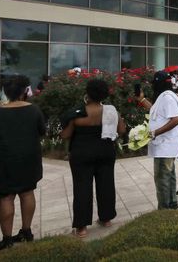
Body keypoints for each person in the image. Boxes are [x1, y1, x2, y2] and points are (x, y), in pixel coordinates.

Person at [0, 75, 45, 250]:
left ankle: (7, 239)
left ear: (6, 92)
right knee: (27, 193)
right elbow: (42, 131)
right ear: (25, 91)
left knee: (6, 197)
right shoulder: (35, 110)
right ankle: (26, 232)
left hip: (2, 160)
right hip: (29, 158)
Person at [60, 79, 125, 238]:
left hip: (82, 153)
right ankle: (106, 219)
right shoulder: (112, 111)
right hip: (105, 151)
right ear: (104, 94)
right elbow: (122, 130)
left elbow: (66, 135)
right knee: (106, 184)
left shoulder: (78, 113)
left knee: (82, 188)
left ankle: (82, 228)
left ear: (88, 93)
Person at [139, 71, 178, 209]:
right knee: (168, 176)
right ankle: (172, 204)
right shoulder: (163, 97)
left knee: (162, 179)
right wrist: (141, 99)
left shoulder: (167, 98)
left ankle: (164, 209)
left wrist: (155, 133)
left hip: (165, 146)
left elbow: (176, 119)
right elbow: (156, 111)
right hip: (164, 146)